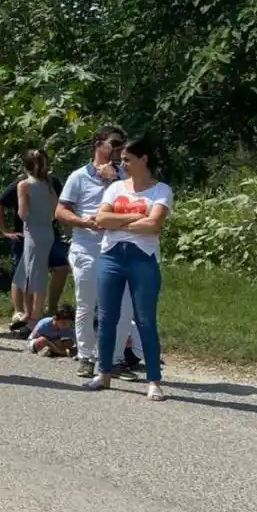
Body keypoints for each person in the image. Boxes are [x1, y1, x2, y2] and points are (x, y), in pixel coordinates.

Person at [84, 137, 172, 401]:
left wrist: (117, 222)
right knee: (106, 317)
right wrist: (135, 217)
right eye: (121, 159)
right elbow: (101, 218)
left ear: (143, 159)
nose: (122, 164)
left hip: (142, 258)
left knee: (145, 320)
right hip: (111, 256)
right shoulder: (115, 188)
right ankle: (104, 373)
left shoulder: (161, 190)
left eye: (127, 159)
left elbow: (153, 225)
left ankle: (154, 380)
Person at [56, 125, 140, 380]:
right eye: (114, 143)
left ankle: (114, 360)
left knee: (124, 307)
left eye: (122, 144)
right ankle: (86, 356)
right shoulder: (79, 177)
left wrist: (114, 179)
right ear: (98, 144)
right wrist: (84, 222)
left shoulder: (126, 177)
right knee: (88, 303)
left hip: (120, 247)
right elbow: (60, 211)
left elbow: (138, 205)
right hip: (87, 248)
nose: (119, 148)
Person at [0, 170, 72, 330]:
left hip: (49, 233)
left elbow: (61, 207)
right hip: (25, 234)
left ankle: (50, 309)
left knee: (62, 268)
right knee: (23, 273)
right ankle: (19, 311)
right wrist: (5, 231)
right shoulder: (22, 183)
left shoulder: (52, 181)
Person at [14, 149, 58, 330]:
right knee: (31, 271)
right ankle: (31, 312)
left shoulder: (24, 185)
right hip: (47, 231)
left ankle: (34, 314)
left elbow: (23, 213)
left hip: (32, 233)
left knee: (33, 275)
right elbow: (56, 208)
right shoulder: (48, 183)